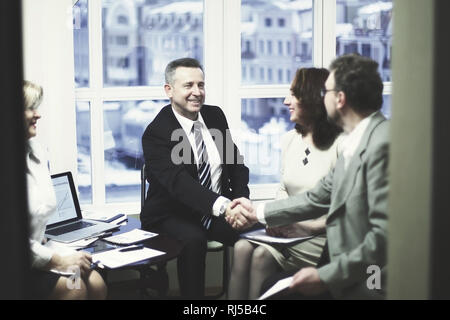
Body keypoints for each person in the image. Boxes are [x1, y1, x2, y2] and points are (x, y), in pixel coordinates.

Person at [229, 54, 389, 299]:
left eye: (326, 92)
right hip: (343, 259)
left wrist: (327, 276)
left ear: (340, 99)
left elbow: (382, 236)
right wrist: (258, 213)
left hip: (368, 274)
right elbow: (318, 196)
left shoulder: (380, 144)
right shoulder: (358, 140)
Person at [140, 58, 250, 299]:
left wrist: (241, 202)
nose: (197, 92)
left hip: (219, 209)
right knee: (194, 240)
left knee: (255, 235)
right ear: (169, 90)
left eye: (201, 85)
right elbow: (180, 184)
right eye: (188, 85)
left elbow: (236, 165)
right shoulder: (157, 132)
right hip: (172, 213)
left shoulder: (214, 116)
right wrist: (224, 207)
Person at [228, 68, 343, 299]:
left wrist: (307, 227)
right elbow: (284, 189)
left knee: (260, 257)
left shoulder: (341, 145)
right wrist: (277, 220)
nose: (285, 101)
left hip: (322, 237)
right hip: (290, 231)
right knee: (240, 248)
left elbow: (347, 210)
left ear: (312, 99)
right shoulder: (289, 139)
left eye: (293, 94)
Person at [25, 81, 107, 300]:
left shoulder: (36, 151)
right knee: (75, 287)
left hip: (37, 251)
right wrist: (59, 260)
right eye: (30, 108)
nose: (37, 114)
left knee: (96, 282)